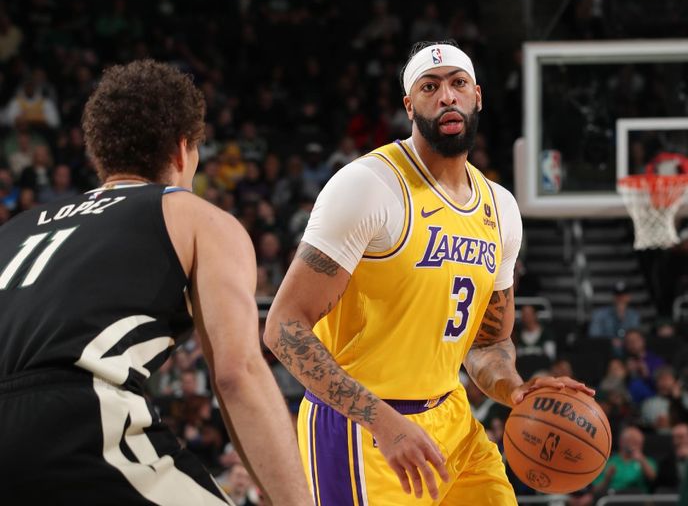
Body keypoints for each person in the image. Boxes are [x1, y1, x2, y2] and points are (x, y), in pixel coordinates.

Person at [265, 40, 593, 505]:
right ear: (409, 105)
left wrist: (516, 390)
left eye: (458, 84)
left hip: (451, 421)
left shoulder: (500, 208)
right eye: (430, 87)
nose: (446, 97)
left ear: (477, 96)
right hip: (362, 430)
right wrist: (383, 422)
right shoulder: (369, 186)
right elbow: (283, 327)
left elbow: (487, 342)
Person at [0, 60, 311, 505]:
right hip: (75, 417)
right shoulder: (194, 216)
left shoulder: (15, 228)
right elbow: (237, 375)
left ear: (99, 155)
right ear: (183, 151)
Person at [588, 280, 640, 351]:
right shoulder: (599, 314)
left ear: (628, 297)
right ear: (613, 297)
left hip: (627, 352)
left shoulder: (634, 315)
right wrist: (610, 341)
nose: (620, 298)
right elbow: (593, 337)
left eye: (623, 295)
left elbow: (635, 337)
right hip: (605, 352)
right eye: (618, 295)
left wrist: (621, 317)